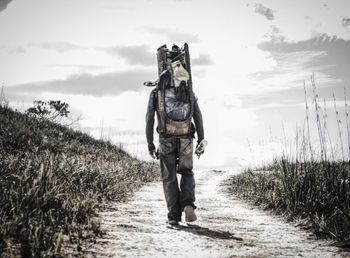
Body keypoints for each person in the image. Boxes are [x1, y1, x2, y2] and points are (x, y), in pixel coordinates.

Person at [145, 47, 205, 225]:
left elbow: (149, 119)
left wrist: (150, 144)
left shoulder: (157, 92)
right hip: (186, 136)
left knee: (169, 176)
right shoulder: (189, 90)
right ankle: (187, 204)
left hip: (165, 137)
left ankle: (173, 216)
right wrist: (201, 139)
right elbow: (197, 115)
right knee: (186, 171)